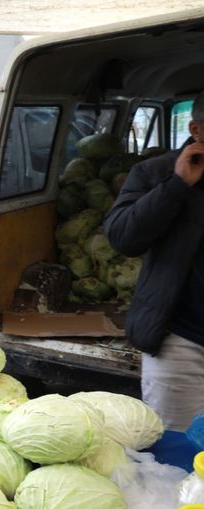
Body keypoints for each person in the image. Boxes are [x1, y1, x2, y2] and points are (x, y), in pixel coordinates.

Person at [104, 90, 204, 431]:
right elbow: (122, 237)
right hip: (182, 341)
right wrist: (177, 185)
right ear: (196, 130)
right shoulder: (155, 172)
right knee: (178, 451)